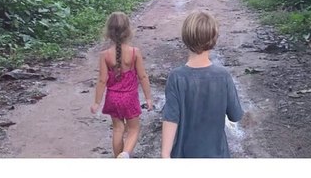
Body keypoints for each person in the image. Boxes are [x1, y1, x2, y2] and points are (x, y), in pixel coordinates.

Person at [161, 10, 244, 158]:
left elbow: (170, 119)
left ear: (185, 38)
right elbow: (235, 115)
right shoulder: (223, 76)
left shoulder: (176, 77)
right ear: (213, 39)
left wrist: (165, 155)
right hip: (218, 155)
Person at [90, 12, 154, 158]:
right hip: (130, 98)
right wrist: (148, 98)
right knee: (133, 129)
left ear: (108, 32)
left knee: (118, 129)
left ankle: (118, 157)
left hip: (113, 98)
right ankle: (125, 154)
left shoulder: (105, 55)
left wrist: (97, 102)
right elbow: (143, 76)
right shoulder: (134, 52)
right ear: (128, 30)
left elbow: (102, 80)